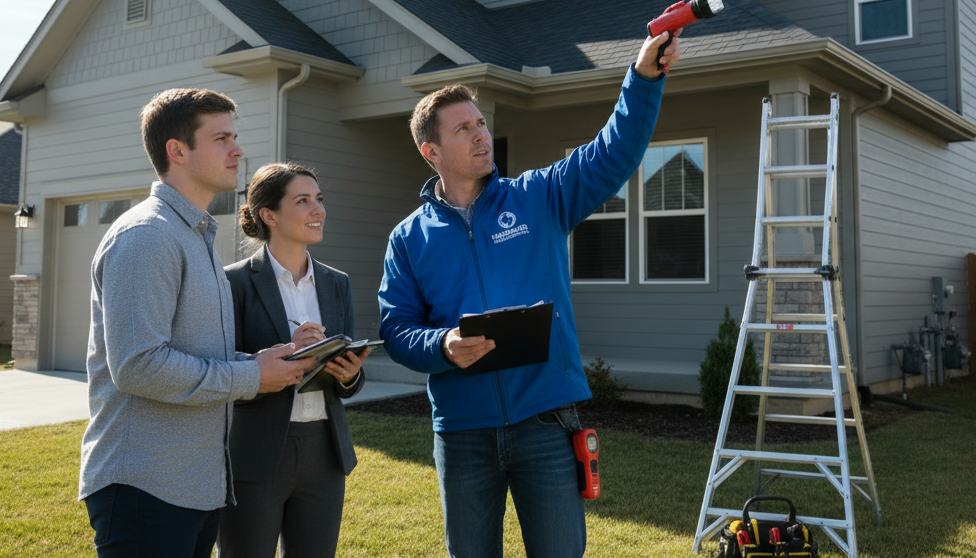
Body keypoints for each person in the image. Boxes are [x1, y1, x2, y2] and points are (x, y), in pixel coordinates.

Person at [378, 28, 682, 558]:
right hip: (463, 434)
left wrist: (643, 79)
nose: (480, 136)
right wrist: (442, 346)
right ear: (431, 151)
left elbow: (611, 155)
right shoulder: (408, 237)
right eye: (463, 129)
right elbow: (396, 328)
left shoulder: (538, 196)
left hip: (546, 422)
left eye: (481, 124)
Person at [78, 88, 314, 558]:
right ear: (177, 151)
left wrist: (258, 362)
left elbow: (193, 353)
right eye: (222, 138)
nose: (238, 150)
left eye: (235, 136)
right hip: (145, 486)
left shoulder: (195, 236)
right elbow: (139, 365)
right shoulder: (148, 236)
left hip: (195, 485)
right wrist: (251, 376)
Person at [219, 162, 371, 558]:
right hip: (255, 452)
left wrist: (350, 374)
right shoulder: (232, 283)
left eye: (318, 199)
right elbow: (221, 374)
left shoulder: (337, 283)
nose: (317, 209)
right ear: (268, 215)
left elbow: (348, 384)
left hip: (325, 452)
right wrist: (290, 351)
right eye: (302, 200)